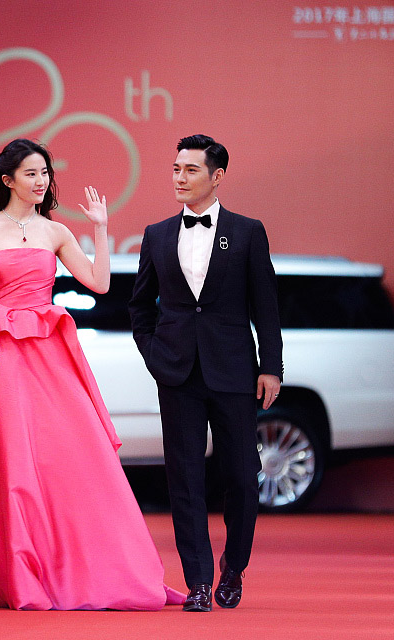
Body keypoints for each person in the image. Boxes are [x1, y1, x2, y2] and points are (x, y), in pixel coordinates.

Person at [0, 138, 184, 610]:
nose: (41, 181)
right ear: (7, 180)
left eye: (45, 172)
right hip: (1, 355)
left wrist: (100, 229)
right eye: (31, 173)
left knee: (72, 455)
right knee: (5, 460)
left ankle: (73, 566)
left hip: (48, 354)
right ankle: (11, 570)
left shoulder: (56, 231)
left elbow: (99, 282)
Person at [129, 135, 282, 612]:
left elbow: (266, 306)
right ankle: (197, 581)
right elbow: (140, 307)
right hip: (177, 374)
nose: (180, 177)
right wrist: (154, 355)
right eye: (176, 168)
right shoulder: (156, 234)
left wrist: (271, 368)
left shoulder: (248, 231)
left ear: (217, 177)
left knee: (242, 475)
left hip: (235, 371)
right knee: (185, 479)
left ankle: (233, 567)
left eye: (191, 170)